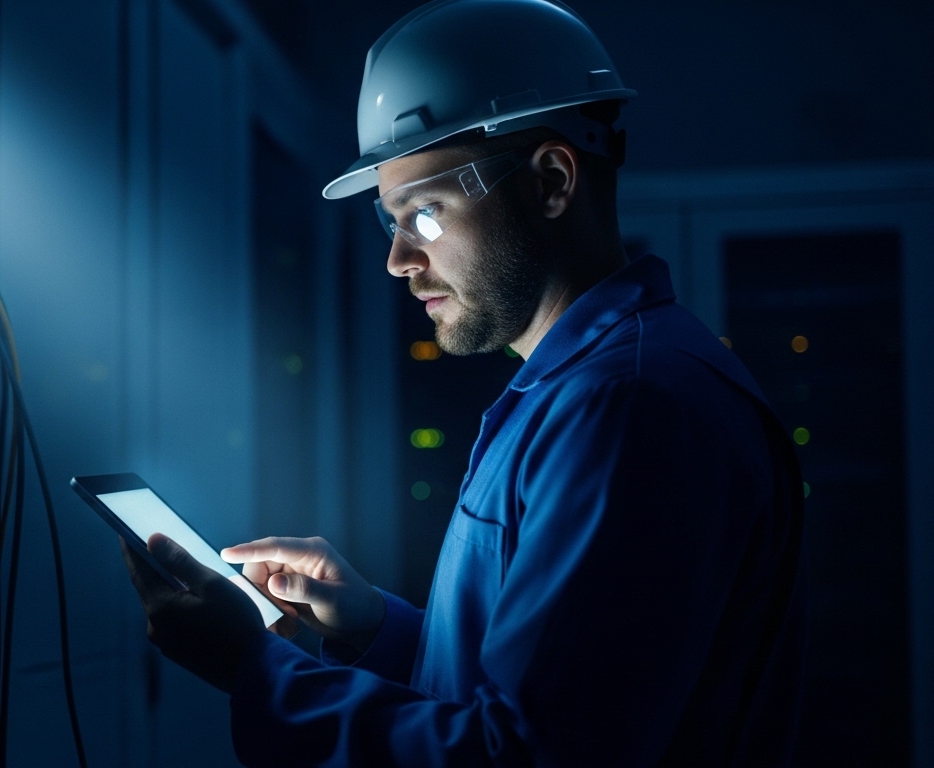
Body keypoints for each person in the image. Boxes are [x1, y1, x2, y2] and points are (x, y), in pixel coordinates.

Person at [121, 1, 806, 765]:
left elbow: (527, 753)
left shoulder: (627, 408)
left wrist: (252, 666)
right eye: (392, 222)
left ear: (550, 181)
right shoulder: (570, 392)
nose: (399, 260)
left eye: (428, 214)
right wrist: (372, 626)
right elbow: (533, 687)